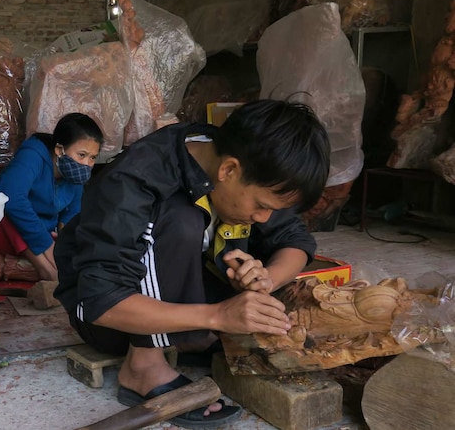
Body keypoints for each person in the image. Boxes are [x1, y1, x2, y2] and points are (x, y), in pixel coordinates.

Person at [54, 100, 330, 428]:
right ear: (228, 170)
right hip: (112, 322)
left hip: (185, 312)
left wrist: (265, 279)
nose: (263, 218)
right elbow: (100, 300)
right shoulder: (137, 178)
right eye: (260, 206)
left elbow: (295, 242)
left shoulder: (253, 166)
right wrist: (218, 315)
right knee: (180, 217)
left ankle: (195, 338)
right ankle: (143, 366)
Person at [0, 113, 104, 282]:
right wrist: (46, 247)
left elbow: (71, 216)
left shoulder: (76, 176)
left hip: (41, 233)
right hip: (6, 226)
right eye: (81, 155)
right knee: (52, 272)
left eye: (92, 158)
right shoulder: (33, 156)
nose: (86, 164)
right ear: (60, 150)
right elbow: (12, 198)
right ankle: (45, 270)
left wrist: (65, 246)